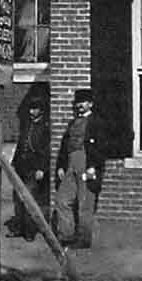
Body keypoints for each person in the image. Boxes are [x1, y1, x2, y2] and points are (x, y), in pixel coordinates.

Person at [55, 88, 107, 248]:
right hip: (71, 164)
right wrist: (61, 166)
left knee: (85, 203)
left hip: (87, 165)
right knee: (62, 200)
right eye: (77, 103)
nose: (80, 105)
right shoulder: (72, 122)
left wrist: (93, 166)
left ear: (90, 104)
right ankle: (66, 235)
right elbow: (64, 147)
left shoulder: (98, 122)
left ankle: (83, 240)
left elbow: (102, 147)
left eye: (83, 102)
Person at [7, 86, 50, 241]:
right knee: (18, 198)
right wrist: (13, 162)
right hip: (21, 167)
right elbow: (21, 144)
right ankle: (18, 227)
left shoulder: (45, 128)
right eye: (31, 109)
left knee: (30, 199)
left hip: (34, 168)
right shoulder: (27, 125)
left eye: (35, 109)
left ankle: (30, 231)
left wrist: (42, 168)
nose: (32, 112)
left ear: (41, 110)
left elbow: (46, 150)